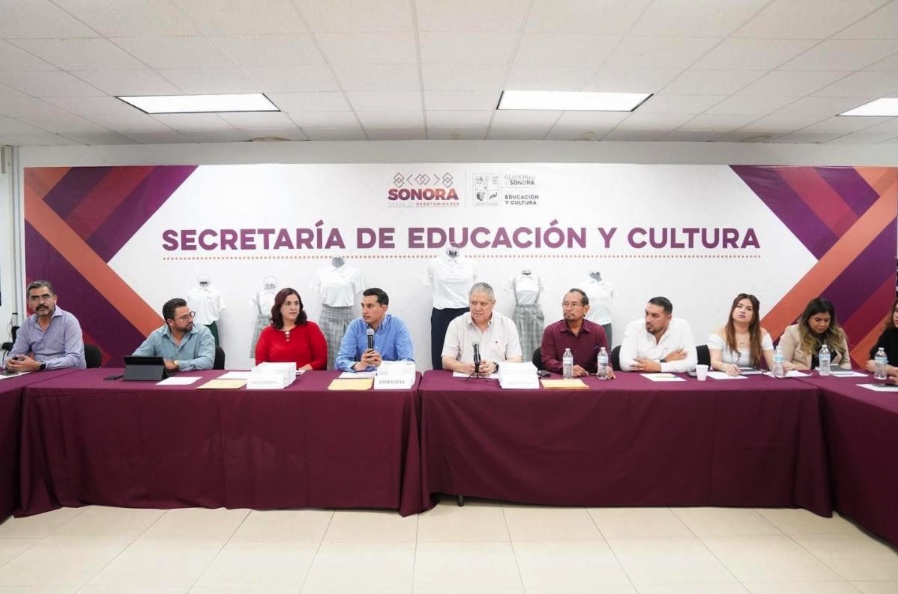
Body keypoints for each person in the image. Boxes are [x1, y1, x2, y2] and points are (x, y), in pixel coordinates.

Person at [441, 282, 523, 375]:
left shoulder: (507, 324)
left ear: (493, 303)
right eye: (473, 303)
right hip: (465, 377)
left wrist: (495, 367)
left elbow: (516, 359)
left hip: (496, 378)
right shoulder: (456, 324)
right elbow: (446, 360)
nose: (477, 308)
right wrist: (463, 367)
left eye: (483, 304)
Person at [4, 280, 85, 372]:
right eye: (35, 298)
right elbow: (15, 354)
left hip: (69, 374)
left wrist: (40, 365)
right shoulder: (27, 324)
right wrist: (9, 363)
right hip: (39, 374)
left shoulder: (69, 321)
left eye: (45, 297)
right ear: (29, 303)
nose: (41, 302)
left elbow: (74, 359)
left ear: (54, 299)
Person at [335, 288, 414, 372]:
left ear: (384, 308)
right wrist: (359, 365)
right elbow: (340, 360)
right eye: (363, 306)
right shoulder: (355, 326)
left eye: (370, 306)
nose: (364, 311)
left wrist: (383, 365)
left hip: (388, 377)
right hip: (362, 377)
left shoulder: (397, 326)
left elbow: (408, 362)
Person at [541, 288, 613, 378]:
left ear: (585, 309)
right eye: (565, 304)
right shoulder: (551, 331)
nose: (568, 308)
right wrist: (566, 368)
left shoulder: (598, 331)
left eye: (574, 304)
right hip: (562, 380)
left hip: (590, 380)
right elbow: (547, 361)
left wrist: (607, 368)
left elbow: (604, 358)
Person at [132, 297, 215, 372]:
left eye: (190, 314)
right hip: (166, 381)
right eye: (184, 317)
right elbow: (136, 359)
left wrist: (176, 364)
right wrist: (159, 364)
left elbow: (207, 362)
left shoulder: (203, 332)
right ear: (170, 322)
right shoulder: (157, 335)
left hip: (196, 380)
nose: (190, 320)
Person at [255, 288, 327, 371]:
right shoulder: (267, 333)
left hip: (306, 376)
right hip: (277, 377)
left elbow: (321, 359)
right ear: (279, 307)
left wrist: (298, 371)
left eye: (296, 303)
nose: (293, 307)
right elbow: (260, 364)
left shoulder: (311, 328)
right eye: (288, 304)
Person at [619, 296, 696, 373]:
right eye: (646, 313)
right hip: (640, 379)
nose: (648, 320)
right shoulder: (634, 327)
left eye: (654, 316)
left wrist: (658, 366)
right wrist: (664, 361)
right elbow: (625, 363)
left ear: (668, 318)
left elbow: (691, 363)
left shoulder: (682, 326)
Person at [708, 293, 775, 375]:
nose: (742, 311)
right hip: (724, 376)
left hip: (751, 378)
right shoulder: (719, 333)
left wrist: (779, 366)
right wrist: (725, 367)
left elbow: (772, 363)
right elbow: (715, 362)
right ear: (733, 310)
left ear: (754, 315)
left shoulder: (761, 334)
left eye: (749, 309)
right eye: (739, 306)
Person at [779, 297, 851, 370]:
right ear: (808, 318)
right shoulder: (792, 332)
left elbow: (845, 362)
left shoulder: (838, 334)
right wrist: (797, 368)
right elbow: (780, 361)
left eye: (826, 320)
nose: (822, 324)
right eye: (817, 320)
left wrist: (842, 372)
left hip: (830, 376)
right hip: (801, 375)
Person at [867, 298, 898, 377]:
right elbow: (871, 363)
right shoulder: (890, 332)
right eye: (896, 310)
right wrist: (889, 369)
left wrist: (887, 369)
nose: (897, 315)